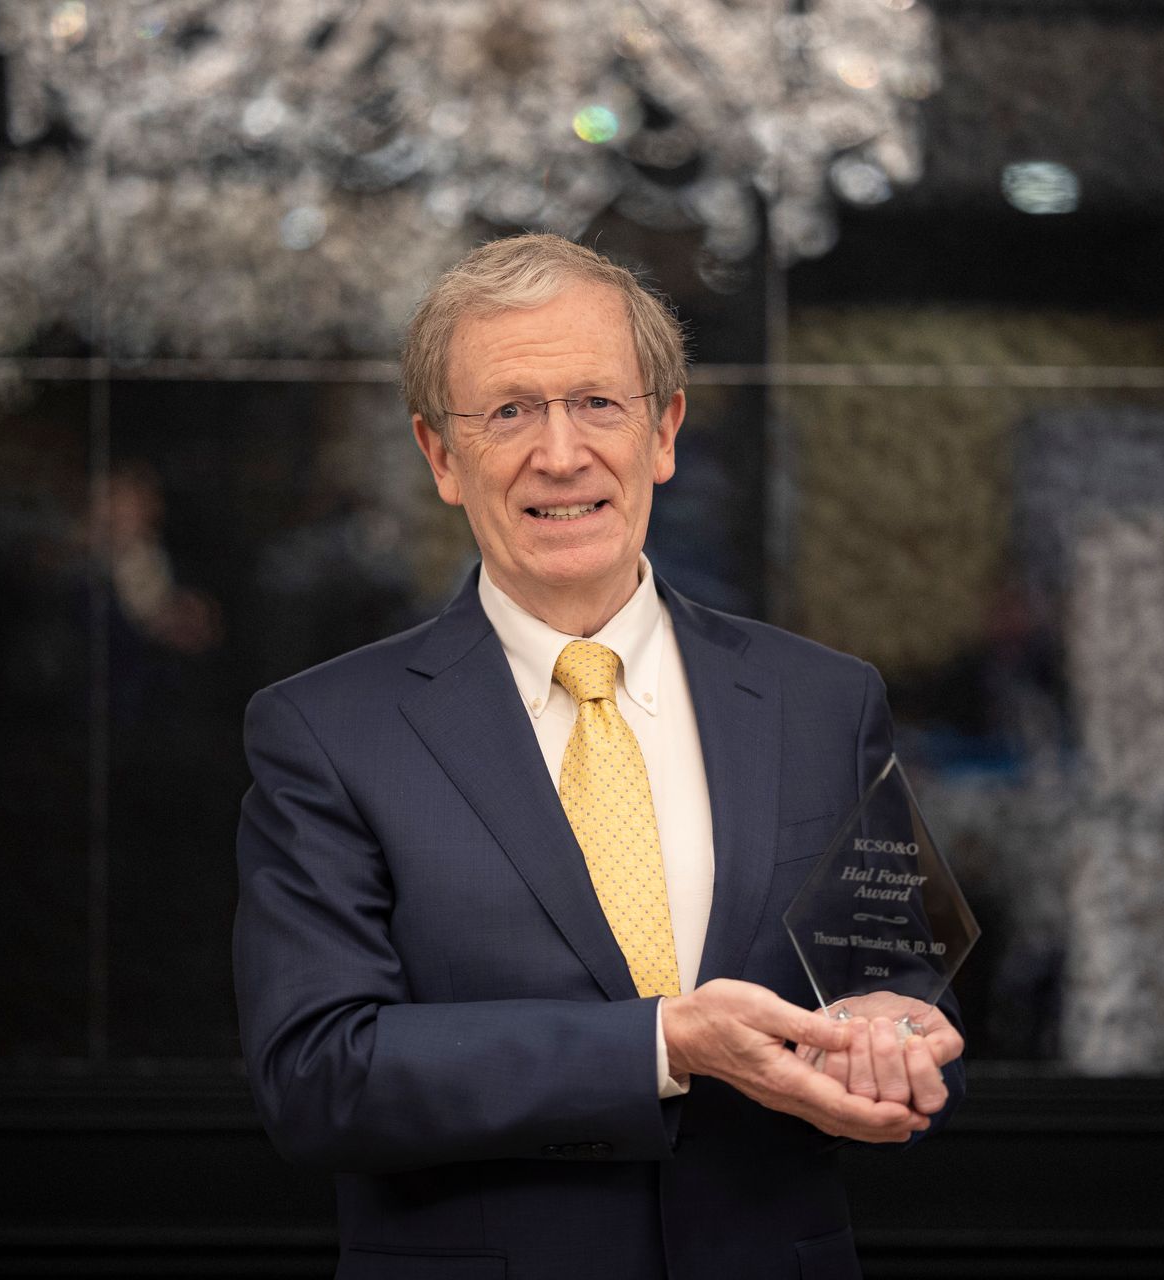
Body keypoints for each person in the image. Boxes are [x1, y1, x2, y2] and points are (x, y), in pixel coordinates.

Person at [234, 234, 965, 1280]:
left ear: (664, 430)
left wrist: (899, 1035)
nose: (562, 452)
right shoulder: (326, 732)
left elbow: (905, 973)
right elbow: (318, 1077)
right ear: (441, 456)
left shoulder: (825, 701)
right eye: (509, 411)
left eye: (598, 403)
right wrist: (663, 1044)